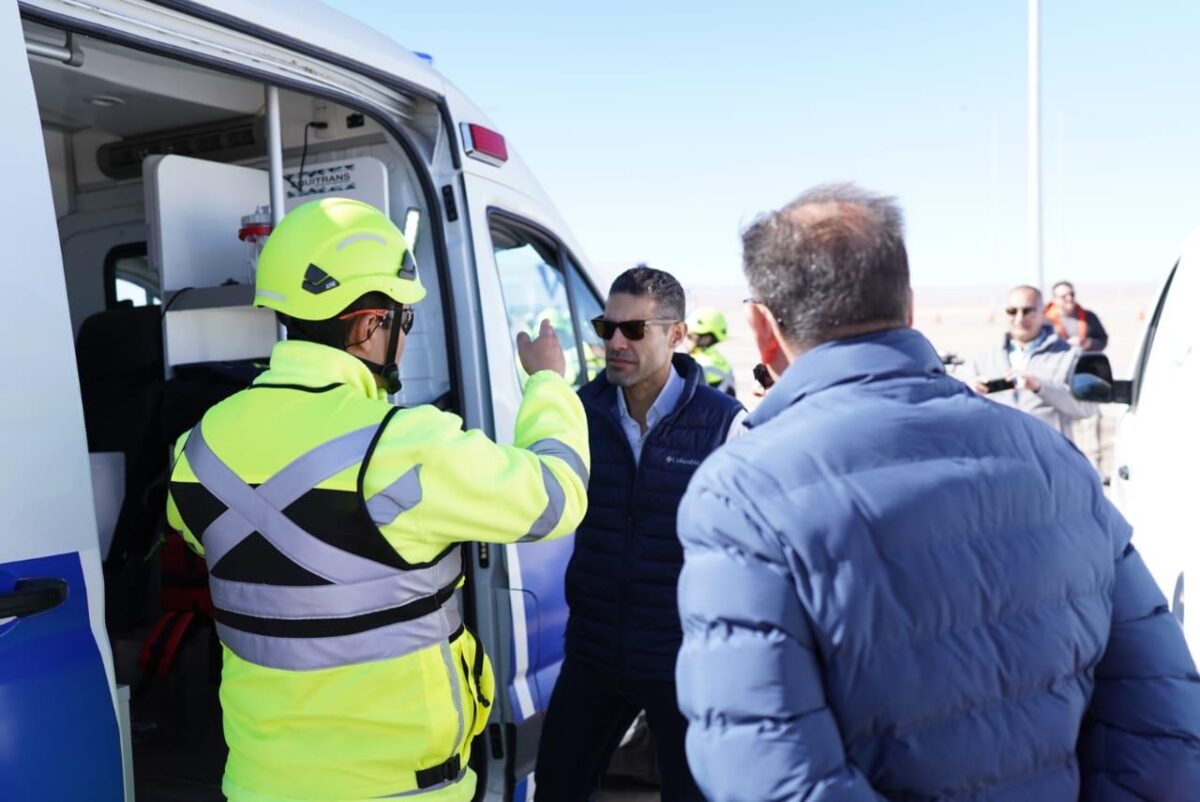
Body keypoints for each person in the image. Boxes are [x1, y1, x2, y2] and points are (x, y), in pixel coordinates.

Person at [676, 183, 1200, 801]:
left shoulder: (742, 493)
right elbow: (1163, 723)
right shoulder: (1052, 459)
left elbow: (766, 773)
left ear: (762, 329)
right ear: (910, 307)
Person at [165, 198, 589, 802]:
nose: (402, 338)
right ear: (368, 325)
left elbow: (209, 536)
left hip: (257, 784)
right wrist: (547, 384)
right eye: (402, 322)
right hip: (401, 791)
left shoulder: (196, 446)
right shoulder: (409, 445)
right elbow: (557, 497)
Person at [533, 266, 745, 802]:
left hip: (681, 657)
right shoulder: (580, 413)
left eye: (634, 330)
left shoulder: (724, 424)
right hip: (594, 650)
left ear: (676, 335)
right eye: (607, 328)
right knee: (557, 787)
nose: (616, 343)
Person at [964, 285, 1096, 441]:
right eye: (1012, 311)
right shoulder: (984, 358)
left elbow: (1087, 408)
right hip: (999, 455)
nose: (1020, 318)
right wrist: (967, 392)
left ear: (1043, 313)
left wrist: (1040, 387)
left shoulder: (1069, 356)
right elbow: (961, 411)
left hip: (1048, 457)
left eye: (1027, 311)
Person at [686, 306, 736, 396]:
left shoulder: (698, 364)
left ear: (706, 338)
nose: (685, 340)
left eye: (690, 336)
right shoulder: (720, 360)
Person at [1045, 280, 1108, 352]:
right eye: (1064, 297)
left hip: (1085, 360)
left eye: (1072, 294)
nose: (1069, 298)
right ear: (1054, 299)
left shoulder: (1089, 317)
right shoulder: (1045, 321)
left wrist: (1087, 343)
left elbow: (1103, 340)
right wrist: (1065, 344)